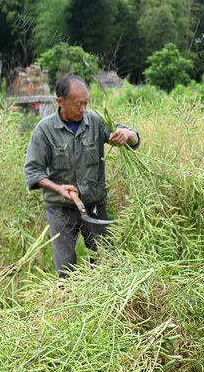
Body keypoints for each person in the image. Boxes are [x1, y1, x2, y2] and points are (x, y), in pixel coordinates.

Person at [23, 74, 141, 278]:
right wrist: (59, 188)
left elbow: (133, 138)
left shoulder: (95, 121)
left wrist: (127, 135)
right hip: (60, 210)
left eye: (86, 103)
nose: (83, 109)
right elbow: (33, 172)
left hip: (95, 206)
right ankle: (69, 304)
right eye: (78, 104)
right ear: (61, 101)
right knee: (66, 271)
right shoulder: (44, 130)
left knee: (106, 266)